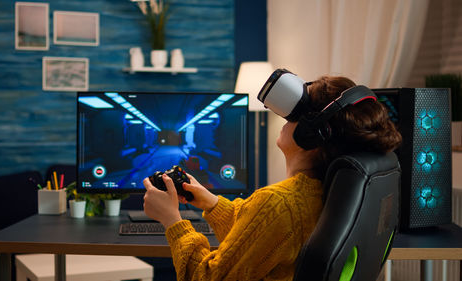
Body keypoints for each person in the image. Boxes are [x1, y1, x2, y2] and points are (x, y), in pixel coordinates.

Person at [142, 75, 402, 281]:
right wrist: (210, 203)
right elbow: (259, 237)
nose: (284, 121)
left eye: (293, 117)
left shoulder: (280, 203)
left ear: (311, 134)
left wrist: (172, 220)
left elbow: (205, 277)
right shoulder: (331, 191)